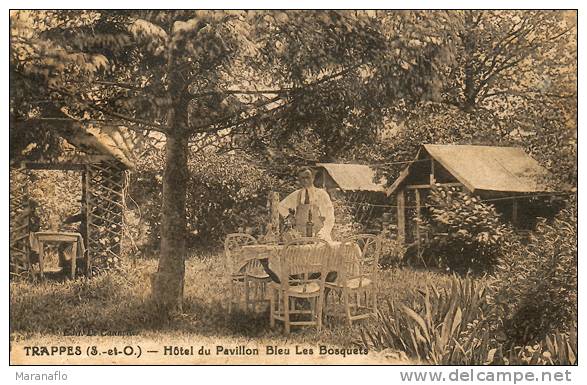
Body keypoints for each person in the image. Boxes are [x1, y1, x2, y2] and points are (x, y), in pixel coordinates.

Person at [277, 167, 335, 241]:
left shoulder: (322, 194)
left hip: (319, 235)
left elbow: (330, 217)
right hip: (300, 237)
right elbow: (280, 206)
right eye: (302, 178)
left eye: (308, 177)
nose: (305, 180)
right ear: (299, 180)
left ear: (313, 178)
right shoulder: (296, 195)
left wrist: (324, 232)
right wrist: (289, 217)